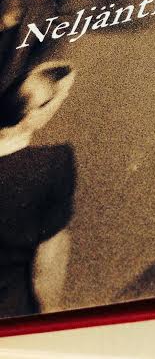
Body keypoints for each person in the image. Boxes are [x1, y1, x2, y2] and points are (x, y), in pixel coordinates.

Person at [0, 62, 77, 316]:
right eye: (59, 101)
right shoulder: (52, 165)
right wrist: (52, 312)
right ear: (34, 114)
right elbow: (49, 259)